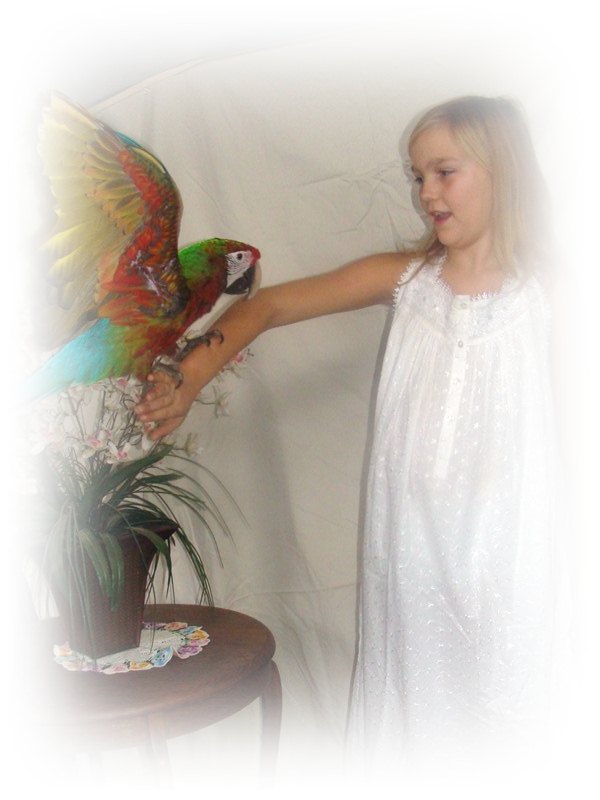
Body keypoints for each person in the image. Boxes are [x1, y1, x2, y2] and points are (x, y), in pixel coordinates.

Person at [135, 96, 561, 766]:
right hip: (414, 555)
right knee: (421, 717)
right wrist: (187, 379)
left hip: (519, 555)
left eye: (444, 172)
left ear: (503, 168)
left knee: (516, 705)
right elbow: (270, 306)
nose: (426, 193)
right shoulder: (409, 281)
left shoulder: (553, 293)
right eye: (417, 176)